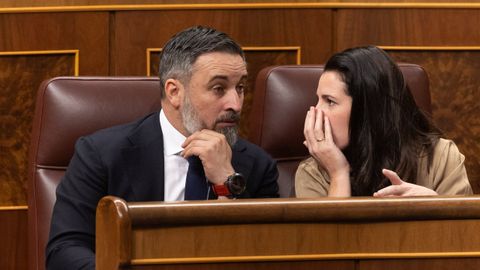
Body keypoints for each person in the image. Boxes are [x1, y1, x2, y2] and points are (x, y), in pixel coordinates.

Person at [46, 26, 279, 270]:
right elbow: (64, 252)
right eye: (218, 88)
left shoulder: (257, 165)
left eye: (240, 88)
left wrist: (227, 182)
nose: (235, 104)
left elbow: (267, 256)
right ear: (174, 92)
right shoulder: (101, 155)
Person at [295, 46, 472, 198]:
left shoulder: (441, 156)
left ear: (367, 109)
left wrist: (433, 207)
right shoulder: (312, 172)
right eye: (318, 99)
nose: (315, 112)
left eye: (330, 101)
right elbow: (328, 238)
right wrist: (338, 174)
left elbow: (464, 234)